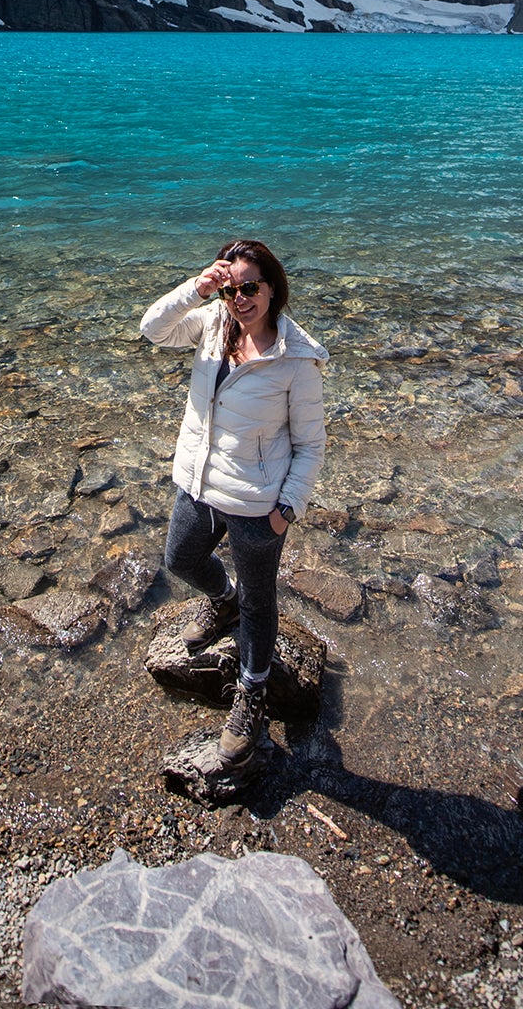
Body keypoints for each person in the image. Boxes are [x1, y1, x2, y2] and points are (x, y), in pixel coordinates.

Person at [140, 238, 327, 767]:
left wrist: (286, 508)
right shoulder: (212, 325)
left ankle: (252, 693)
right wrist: (197, 289)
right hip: (198, 484)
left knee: (259, 604)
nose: (240, 298)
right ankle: (220, 598)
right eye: (231, 287)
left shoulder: (296, 361)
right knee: (180, 560)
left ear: (272, 290)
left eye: (250, 288)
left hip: (256, 505)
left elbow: (311, 444)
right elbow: (152, 329)